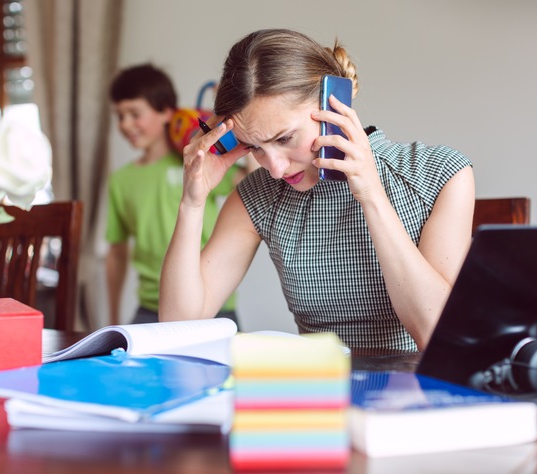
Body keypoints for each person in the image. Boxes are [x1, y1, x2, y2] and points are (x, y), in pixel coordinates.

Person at [159, 29, 475, 352]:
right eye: (255, 147)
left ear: (334, 104)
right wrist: (192, 203)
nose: (276, 169)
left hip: (416, 392)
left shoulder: (440, 173)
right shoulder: (258, 195)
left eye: (284, 139)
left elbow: (436, 335)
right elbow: (177, 326)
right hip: (317, 393)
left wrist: (372, 197)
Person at [105, 63, 243, 325]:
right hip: (149, 310)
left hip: (213, 305)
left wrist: (232, 118)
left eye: (134, 113)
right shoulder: (120, 180)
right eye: (119, 116)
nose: (125, 124)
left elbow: (251, 181)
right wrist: (112, 317)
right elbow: (117, 251)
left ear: (167, 112)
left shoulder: (198, 163)